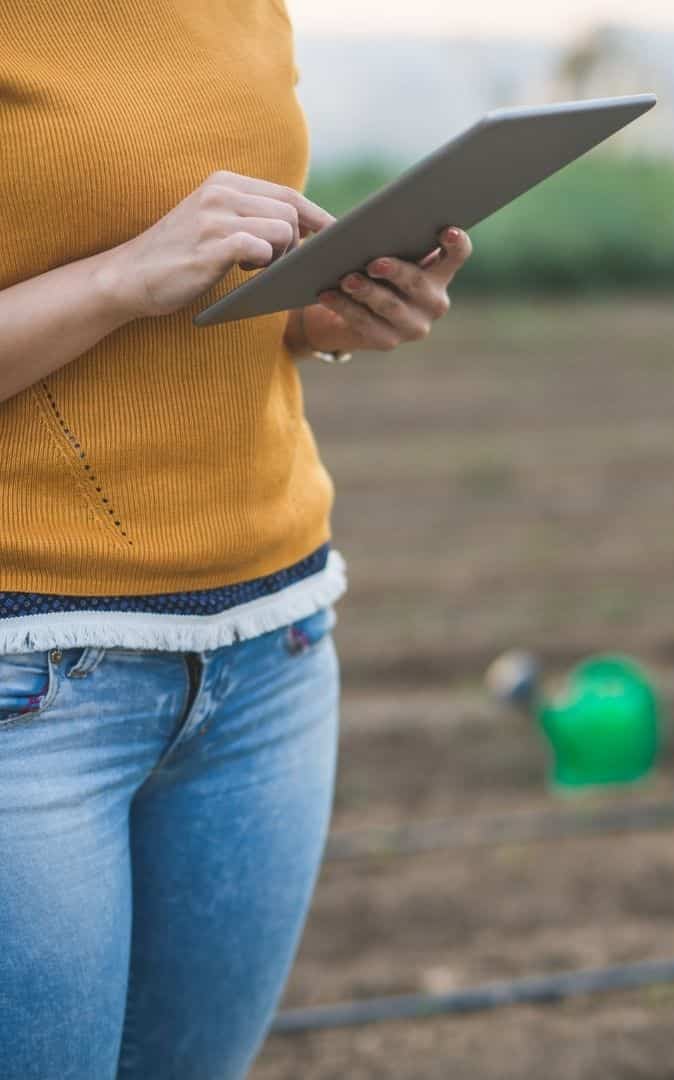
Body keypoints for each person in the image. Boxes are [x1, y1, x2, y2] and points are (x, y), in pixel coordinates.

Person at [0, 4, 472, 1078]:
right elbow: (138, 267)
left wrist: (322, 318)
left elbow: (208, 299)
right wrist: (121, 278)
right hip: (26, 679)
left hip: (273, 646)